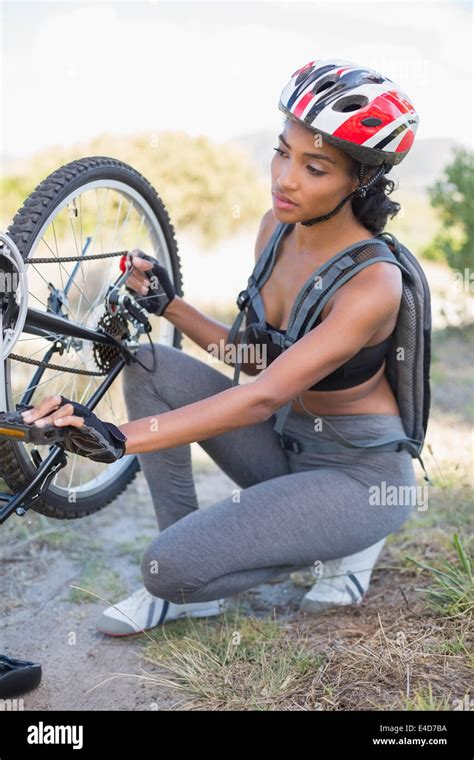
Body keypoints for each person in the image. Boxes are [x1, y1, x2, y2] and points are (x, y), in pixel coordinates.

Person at [21, 58, 421, 635]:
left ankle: (348, 542)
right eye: (283, 152)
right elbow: (257, 357)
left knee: (166, 570)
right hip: (285, 447)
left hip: (358, 476)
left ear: (359, 180)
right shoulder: (275, 229)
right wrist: (169, 304)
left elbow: (262, 395)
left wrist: (117, 438)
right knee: (151, 363)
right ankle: (194, 593)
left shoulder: (371, 283)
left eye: (314, 167)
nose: (285, 179)